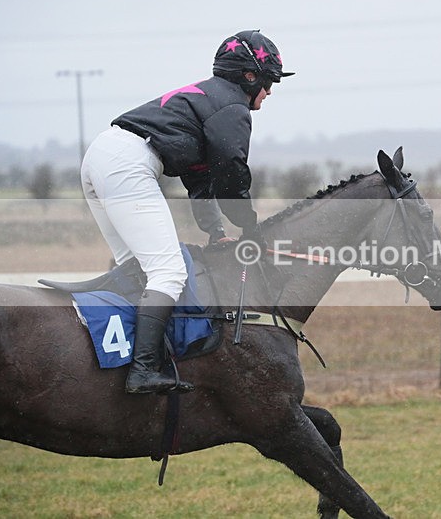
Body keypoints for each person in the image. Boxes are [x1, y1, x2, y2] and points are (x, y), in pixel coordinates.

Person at [80, 30, 293, 394]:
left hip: (102, 157)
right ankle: (144, 371)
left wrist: (214, 231)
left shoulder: (211, 100)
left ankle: (127, 362)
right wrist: (250, 227)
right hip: (127, 164)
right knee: (168, 272)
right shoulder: (233, 108)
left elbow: (201, 180)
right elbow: (232, 174)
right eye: (270, 81)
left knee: (139, 271)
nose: (270, 91)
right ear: (250, 76)